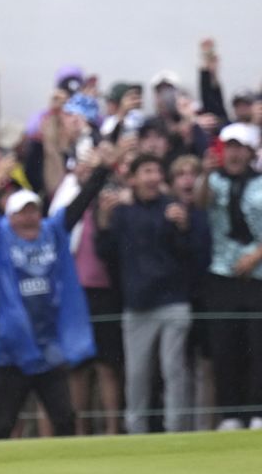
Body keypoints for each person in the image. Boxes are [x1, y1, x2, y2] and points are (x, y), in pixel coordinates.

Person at [0, 134, 120, 440]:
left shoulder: (52, 233)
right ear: (10, 216)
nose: (30, 216)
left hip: (48, 347)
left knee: (65, 419)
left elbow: (79, 204)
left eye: (33, 210)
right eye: (22, 212)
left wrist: (102, 170)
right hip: (13, 348)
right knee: (3, 423)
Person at [96, 153, 209, 434]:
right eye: (146, 171)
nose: (153, 177)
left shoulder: (174, 208)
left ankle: (176, 433)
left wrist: (183, 228)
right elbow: (105, 253)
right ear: (132, 178)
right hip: (137, 306)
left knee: (174, 372)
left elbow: (193, 255)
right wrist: (104, 219)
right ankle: (136, 434)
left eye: (157, 171)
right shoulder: (122, 212)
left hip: (173, 303)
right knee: (137, 376)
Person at [196, 122, 262, 430]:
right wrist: (206, 173)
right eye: (229, 147)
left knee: (257, 346)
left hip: (258, 277)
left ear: (250, 152)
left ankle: (257, 413)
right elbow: (199, 202)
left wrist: (257, 255)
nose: (233, 154)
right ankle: (231, 414)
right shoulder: (216, 182)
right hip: (222, 275)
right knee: (225, 347)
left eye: (239, 148)